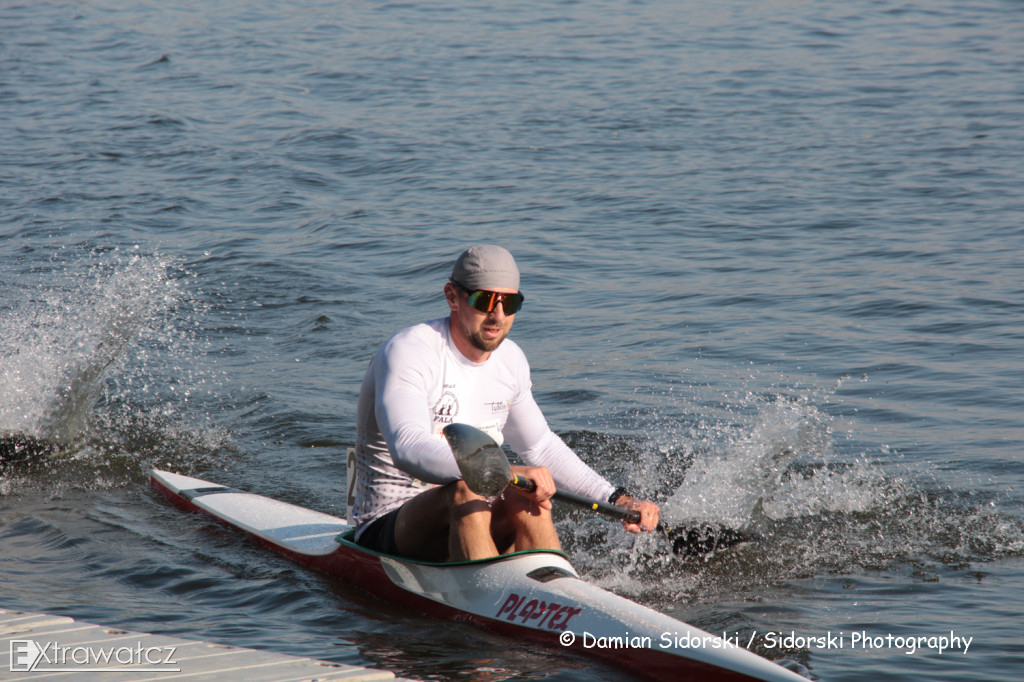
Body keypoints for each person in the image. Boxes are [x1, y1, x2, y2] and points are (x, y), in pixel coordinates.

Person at [351, 245, 659, 562]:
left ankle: (554, 587)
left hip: (473, 516)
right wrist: (503, 473)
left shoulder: (511, 360)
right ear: (452, 296)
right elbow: (407, 447)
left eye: (510, 303)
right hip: (391, 524)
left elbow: (541, 446)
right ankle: (483, 595)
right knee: (470, 489)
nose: (498, 315)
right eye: (485, 300)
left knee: (528, 497)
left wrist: (618, 499)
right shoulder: (410, 351)